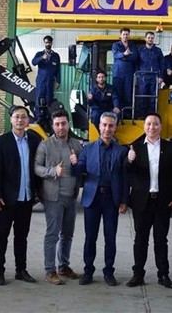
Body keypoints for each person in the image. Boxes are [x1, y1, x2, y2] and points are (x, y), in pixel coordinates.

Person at [125, 113, 172, 289]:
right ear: (144, 126)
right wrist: (130, 160)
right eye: (148, 124)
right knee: (140, 240)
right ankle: (138, 274)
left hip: (162, 201)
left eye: (155, 124)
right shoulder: (135, 147)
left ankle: (163, 274)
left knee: (161, 240)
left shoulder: (170, 148)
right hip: (142, 202)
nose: (152, 127)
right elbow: (127, 172)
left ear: (161, 126)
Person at [0, 106, 42, 286]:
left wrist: (38, 192)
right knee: (1, 235)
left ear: (28, 120)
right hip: (6, 199)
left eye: (24, 117)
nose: (20, 120)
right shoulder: (1, 141)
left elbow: (37, 168)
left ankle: (21, 270)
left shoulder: (34, 140)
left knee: (22, 237)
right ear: (11, 119)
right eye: (17, 117)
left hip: (26, 198)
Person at [77, 112, 129, 286]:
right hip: (92, 199)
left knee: (110, 238)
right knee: (90, 237)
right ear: (99, 126)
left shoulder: (122, 151)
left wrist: (124, 201)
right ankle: (88, 271)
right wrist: (74, 164)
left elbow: (125, 178)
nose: (107, 129)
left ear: (115, 128)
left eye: (111, 125)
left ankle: (109, 271)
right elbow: (80, 171)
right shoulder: (88, 149)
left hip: (111, 200)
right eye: (104, 125)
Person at [34, 109, 83, 285]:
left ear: (68, 124)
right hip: (53, 198)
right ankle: (50, 270)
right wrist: (52, 170)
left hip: (71, 197)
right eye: (57, 124)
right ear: (53, 126)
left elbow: (83, 168)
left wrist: (78, 163)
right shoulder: (45, 145)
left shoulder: (76, 145)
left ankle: (63, 266)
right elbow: (37, 168)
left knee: (67, 234)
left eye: (63, 123)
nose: (61, 127)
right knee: (52, 234)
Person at [31, 35, 61, 120]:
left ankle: (48, 118)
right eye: (46, 42)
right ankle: (39, 118)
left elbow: (58, 69)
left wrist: (58, 81)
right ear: (44, 43)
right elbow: (33, 62)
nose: (48, 44)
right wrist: (41, 58)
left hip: (50, 81)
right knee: (39, 98)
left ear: (51, 43)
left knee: (49, 100)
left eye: (49, 42)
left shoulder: (56, 56)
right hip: (41, 81)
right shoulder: (39, 54)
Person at [137, 31, 164, 118]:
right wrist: (137, 75)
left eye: (152, 38)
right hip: (143, 77)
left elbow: (162, 64)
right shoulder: (140, 50)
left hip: (154, 77)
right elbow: (136, 63)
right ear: (145, 38)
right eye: (148, 38)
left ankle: (153, 117)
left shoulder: (158, 51)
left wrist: (161, 77)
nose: (150, 39)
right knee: (142, 98)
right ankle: (142, 117)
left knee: (153, 99)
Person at [112, 28, 139, 113]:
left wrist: (123, 57)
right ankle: (117, 112)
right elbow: (115, 55)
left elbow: (135, 57)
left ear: (129, 35)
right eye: (123, 34)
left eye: (127, 34)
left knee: (128, 94)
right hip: (118, 74)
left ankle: (128, 113)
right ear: (120, 35)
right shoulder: (115, 45)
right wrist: (124, 54)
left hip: (129, 74)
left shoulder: (133, 46)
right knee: (117, 93)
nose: (125, 36)